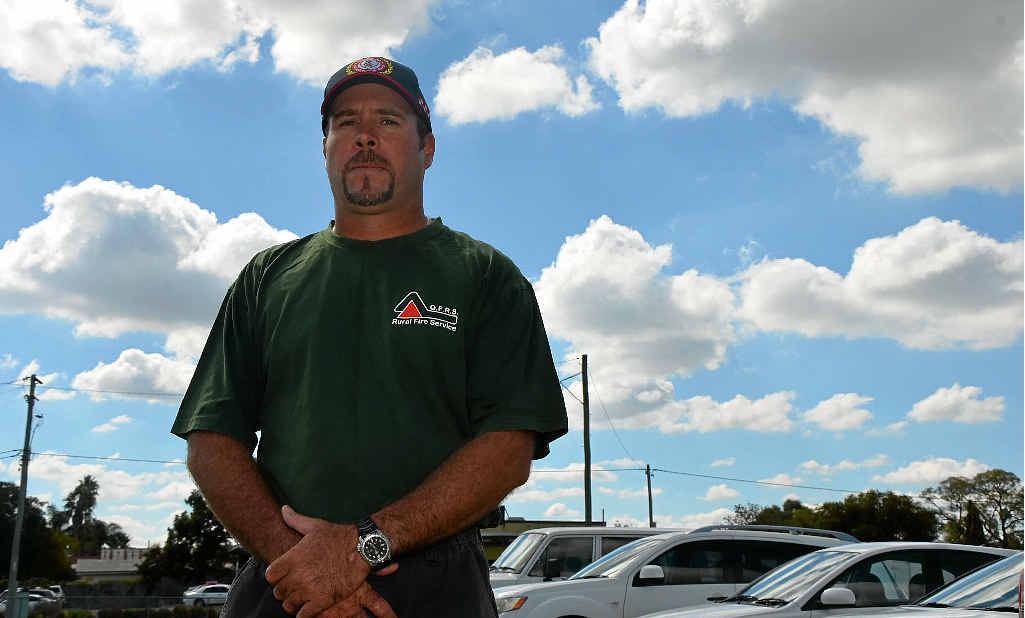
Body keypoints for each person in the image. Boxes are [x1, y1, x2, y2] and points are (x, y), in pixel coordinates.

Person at [171, 56, 568, 618]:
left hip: (435, 585)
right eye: (345, 122)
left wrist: (363, 545)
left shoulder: (485, 275)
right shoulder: (268, 276)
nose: (364, 136)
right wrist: (303, 566)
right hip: (283, 577)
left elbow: (509, 447)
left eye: (388, 120)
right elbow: (211, 438)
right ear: (326, 148)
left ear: (427, 149)